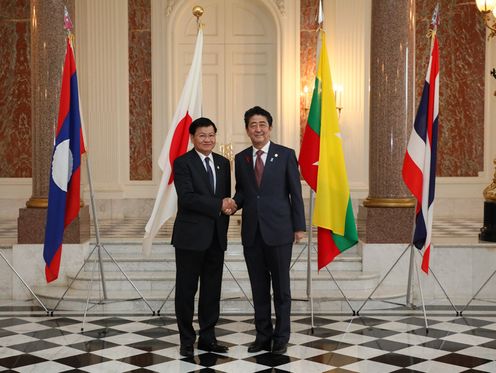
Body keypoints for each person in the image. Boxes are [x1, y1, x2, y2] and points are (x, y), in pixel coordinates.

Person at [233, 106, 305, 354]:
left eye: (262, 124)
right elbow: (243, 191)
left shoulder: (285, 155)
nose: (258, 129)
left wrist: (299, 227)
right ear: (247, 130)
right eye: (253, 125)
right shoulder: (241, 158)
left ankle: (281, 336)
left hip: (279, 231)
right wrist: (233, 203)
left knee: (282, 288)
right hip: (252, 233)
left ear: (270, 128)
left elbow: (295, 193)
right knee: (258, 287)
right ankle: (262, 335)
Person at [172, 117, 236, 357]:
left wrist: (231, 206)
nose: (208, 139)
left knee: (211, 291)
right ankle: (187, 339)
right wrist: (219, 204)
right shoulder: (182, 163)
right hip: (190, 238)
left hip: (216, 238)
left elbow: (225, 198)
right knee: (186, 291)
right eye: (202, 135)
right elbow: (187, 198)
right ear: (192, 138)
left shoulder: (222, 162)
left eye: (211, 135)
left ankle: (208, 338)